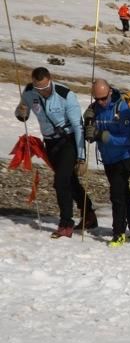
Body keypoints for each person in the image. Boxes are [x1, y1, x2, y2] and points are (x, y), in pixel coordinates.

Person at [15, 67, 96, 238]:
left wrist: (81, 157)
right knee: (70, 181)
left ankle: (66, 223)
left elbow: (78, 126)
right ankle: (88, 213)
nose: (42, 92)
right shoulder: (30, 92)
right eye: (38, 88)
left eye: (45, 88)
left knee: (60, 182)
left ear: (50, 80)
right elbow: (23, 112)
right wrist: (21, 113)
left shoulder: (65, 95)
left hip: (68, 141)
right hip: (50, 144)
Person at [83, 79, 130, 247]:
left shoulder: (122, 108)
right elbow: (90, 127)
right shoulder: (95, 109)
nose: (101, 102)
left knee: (116, 194)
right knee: (123, 193)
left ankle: (119, 233)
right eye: (97, 99)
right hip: (108, 158)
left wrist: (102, 136)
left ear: (110, 92)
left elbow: (128, 138)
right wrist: (88, 127)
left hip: (125, 156)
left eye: (104, 98)